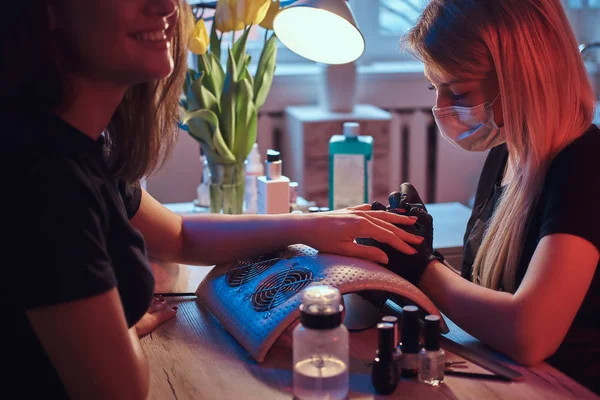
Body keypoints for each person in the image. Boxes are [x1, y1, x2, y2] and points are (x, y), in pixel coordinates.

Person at [1, 1, 424, 399]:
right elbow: (120, 389)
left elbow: (180, 235)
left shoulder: (88, 148)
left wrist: (312, 225)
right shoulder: (40, 172)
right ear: (48, 10)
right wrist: (124, 325)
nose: (167, 8)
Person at [367, 0, 599, 394]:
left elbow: (529, 334)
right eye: (433, 87)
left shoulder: (585, 164)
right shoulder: (506, 155)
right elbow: (487, 295)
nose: (439, 108)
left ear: (526, 77)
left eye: (457, 91)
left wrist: (423, 267)